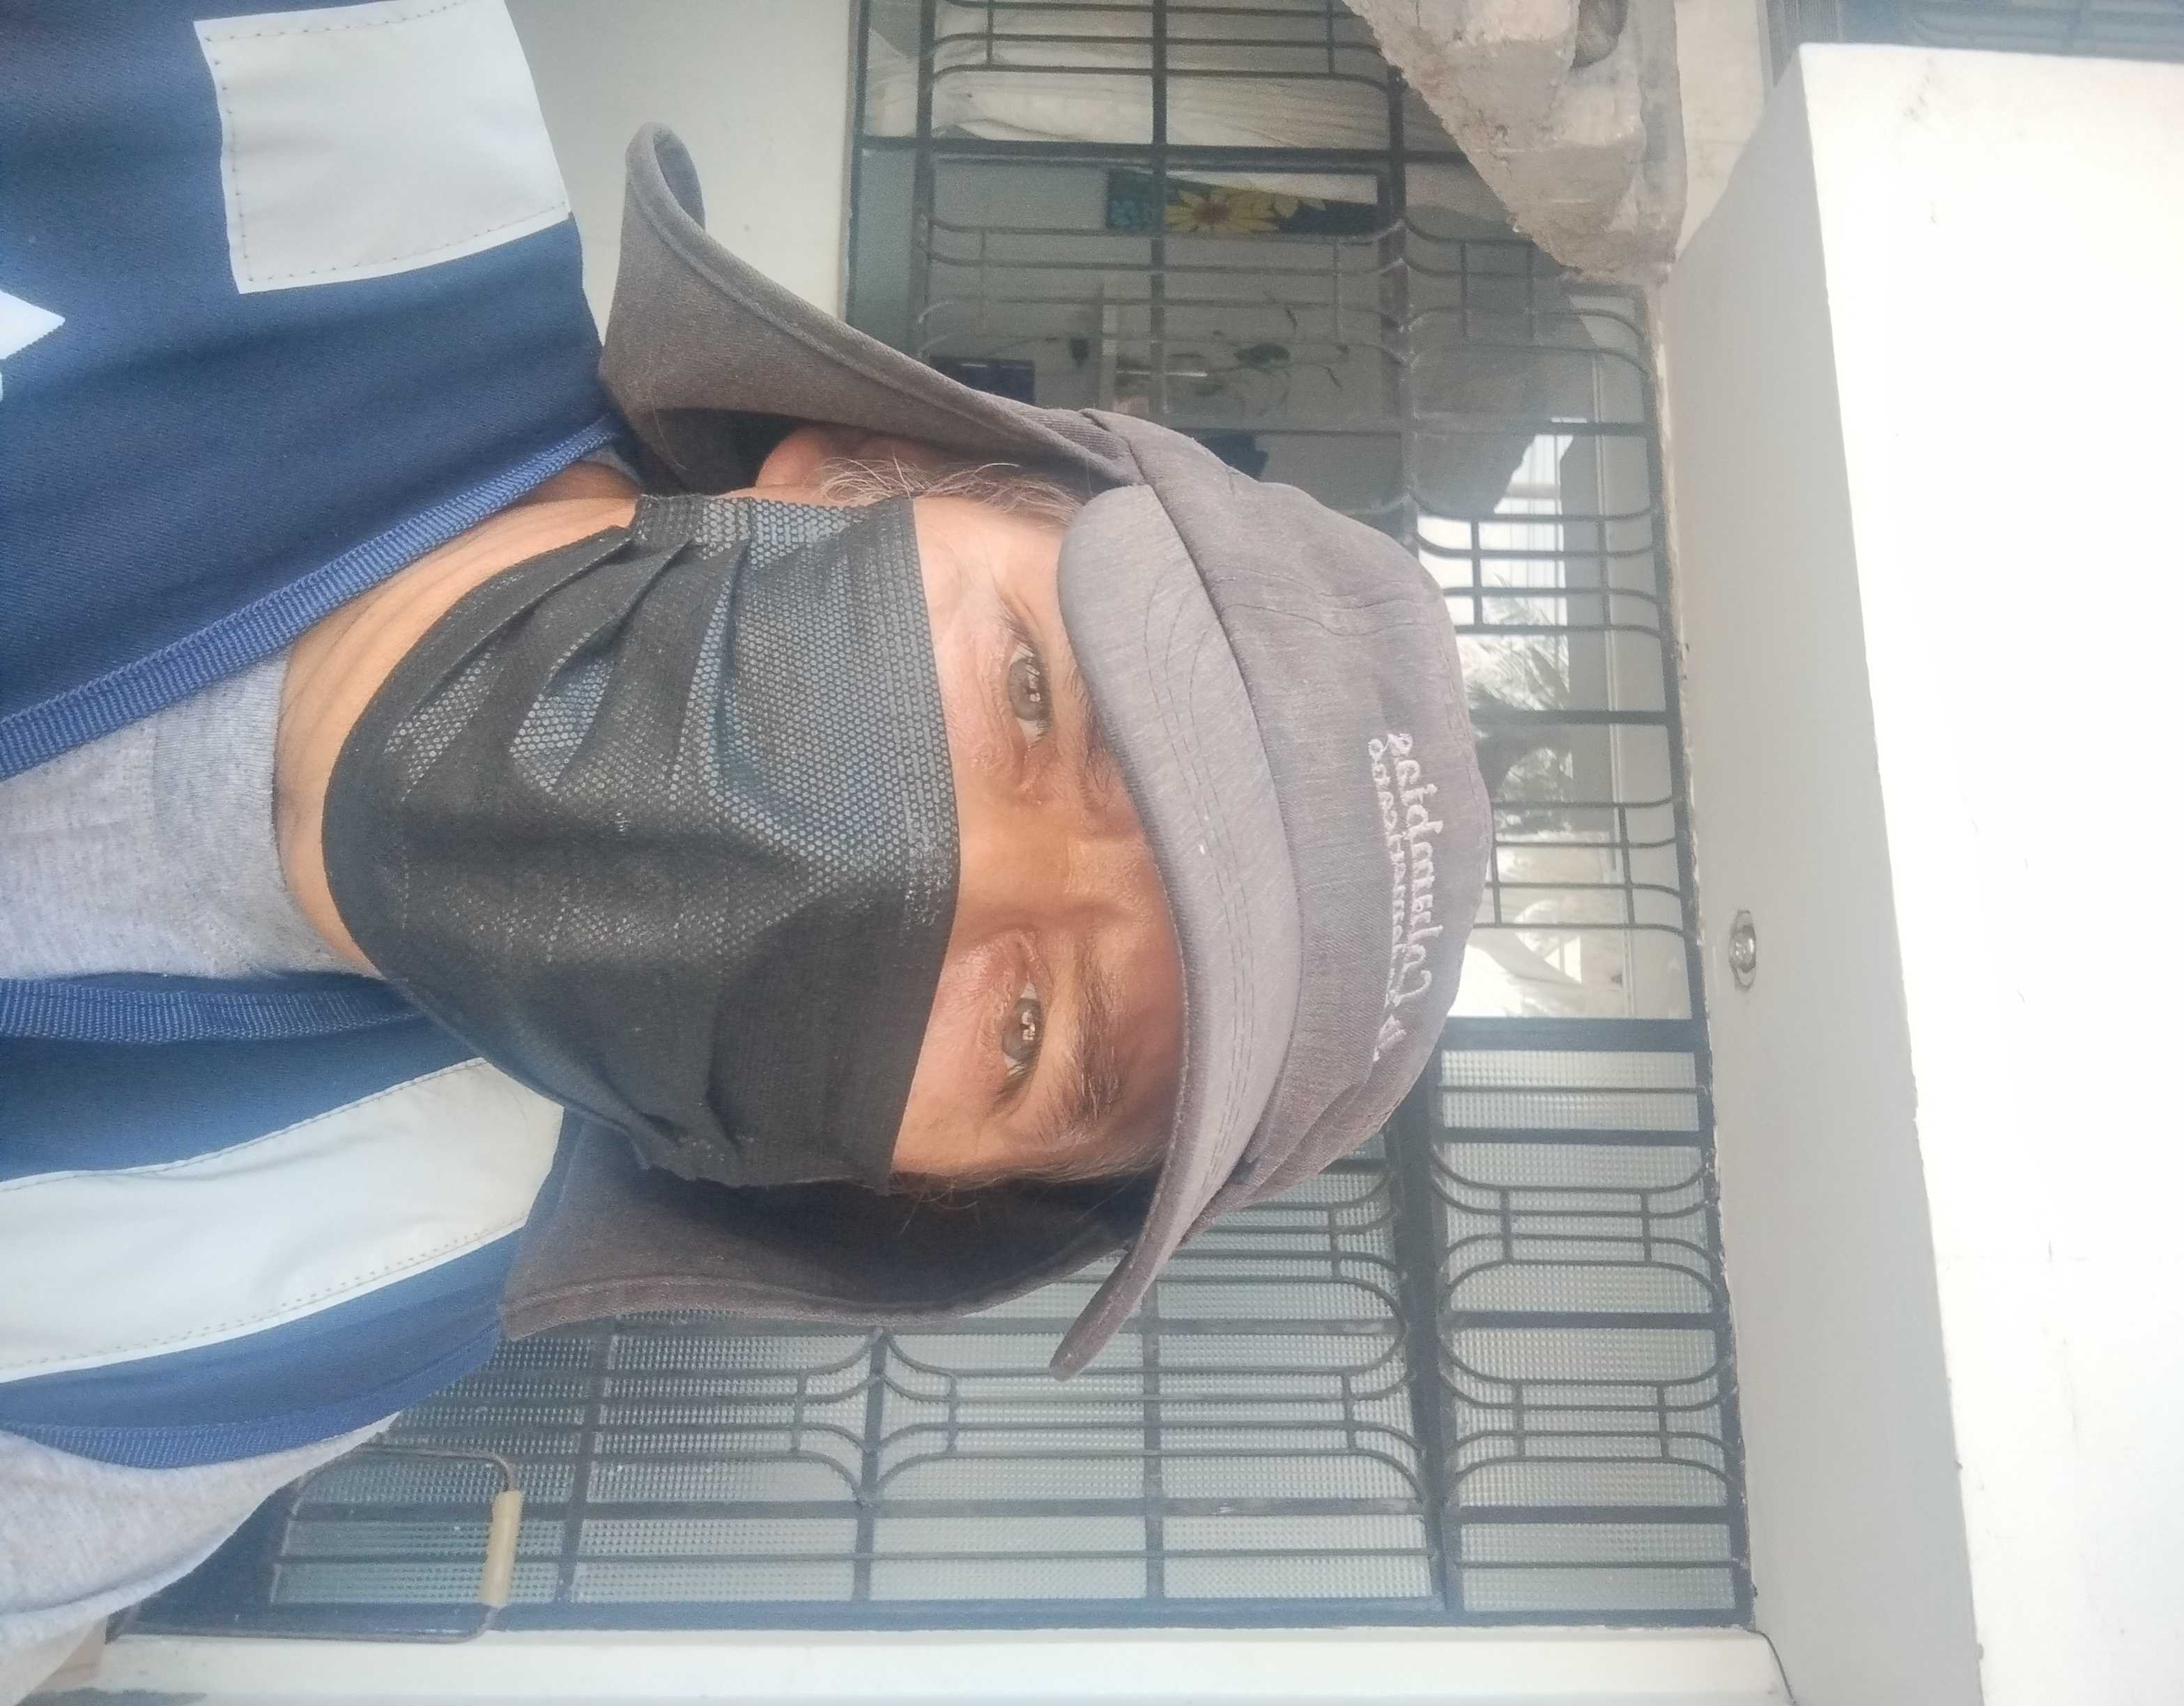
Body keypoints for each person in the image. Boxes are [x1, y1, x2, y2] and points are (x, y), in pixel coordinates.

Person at [0, 3, 1486, 1690]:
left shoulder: (295, 1313)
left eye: (1028, 1034)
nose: (920, 875)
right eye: (1030, 694)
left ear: (882, 1186)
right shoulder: (303, 87)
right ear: (864, 466)